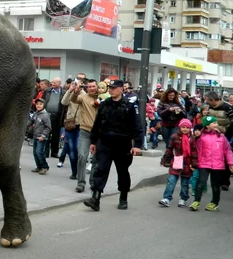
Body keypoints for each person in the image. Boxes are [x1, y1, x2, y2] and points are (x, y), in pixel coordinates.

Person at [84, 80, 144, 212]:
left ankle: (123, 198)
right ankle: (95, 198)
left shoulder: (129, 106)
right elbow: (97, 124)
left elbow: (137, 126)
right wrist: (93, 142)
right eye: (110, 88)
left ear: (121, 89)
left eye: (114, 88)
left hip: (123, 145)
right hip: (105, 143)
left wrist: (137, 145)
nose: (111, 90)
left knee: (122, 172)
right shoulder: (105, 104)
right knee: (100, 170)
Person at [189, 115, 233, 211]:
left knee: (215, 185)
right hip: (203, 164)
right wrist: (195, 136)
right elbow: (193, 147)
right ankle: (196, 201)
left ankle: (214, 203)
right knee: (200, 183)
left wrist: (231, 163)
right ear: (207, 125)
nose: (216, 124)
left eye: (216, 123)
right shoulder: (200, 137)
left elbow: (227, 150)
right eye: (214, 123)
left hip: (218, 165)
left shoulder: (221, 137)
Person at [158, 119, 196, 208]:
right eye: (183, 127)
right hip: (176, 162)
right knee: (171, 181)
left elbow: (194, 152)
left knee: (185, 183)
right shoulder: (174, 137)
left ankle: (183, 199)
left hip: (187, 163)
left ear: (190, 128)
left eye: (187, 127)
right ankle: (166, 198)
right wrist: (164, 160)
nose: (185, 129)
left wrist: (194, 164)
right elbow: (169, 149)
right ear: (180, 127)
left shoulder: (192, 139)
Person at [31, 98, 52, 175]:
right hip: (35, 135)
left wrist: (43, 136)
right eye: (37, 104)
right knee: (35, 153)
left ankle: (44, 167)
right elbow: (31, 122)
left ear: (44, 105)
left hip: (41, 137)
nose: (38, 106)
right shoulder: (36, 113)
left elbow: (48, 127)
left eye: (40, 104)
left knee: (39, 152)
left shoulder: (45, 115)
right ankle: (39, 166)